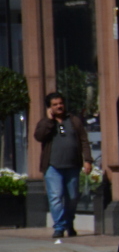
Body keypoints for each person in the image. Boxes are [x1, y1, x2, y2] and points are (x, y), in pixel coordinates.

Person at [33, 91, 92, 243]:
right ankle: (59, 227)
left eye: (60, 103)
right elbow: (39, 137)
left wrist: (88, 160)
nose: (59, 106)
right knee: (56, 197)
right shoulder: (45, 122)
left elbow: (84, 140)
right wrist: (49, 121)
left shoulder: (74, 121)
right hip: (53, 167)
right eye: (55, 104)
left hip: (72, 165)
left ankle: (69, 222)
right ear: (49, 108)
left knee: (72, 197)